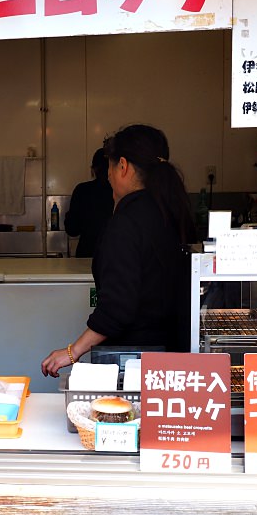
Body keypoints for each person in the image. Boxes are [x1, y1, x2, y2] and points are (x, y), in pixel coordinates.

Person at [41, 124, 197, 377]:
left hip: (133, 360)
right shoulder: (171, 213)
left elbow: (116, 309)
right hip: (173, 355)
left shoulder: (127, 223)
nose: (108, 177)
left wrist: (71, 352)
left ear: (122, 166)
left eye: (110, 168)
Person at [64, 148, 113, 258]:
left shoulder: (82, 190)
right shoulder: (123, 192)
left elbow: (72, 230)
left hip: (87, 255)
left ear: (94, 169)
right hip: (116, 257)